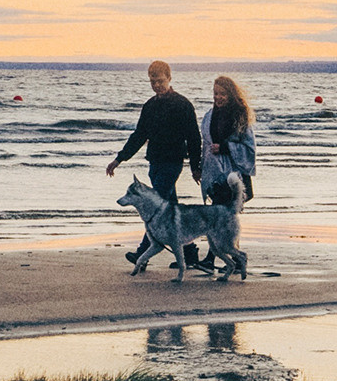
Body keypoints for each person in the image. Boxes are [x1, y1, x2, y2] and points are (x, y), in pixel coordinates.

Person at [106, 60, 202, 265]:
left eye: (160, 81)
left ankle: (143, 253)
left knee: (156, 207)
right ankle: (190, 252)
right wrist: (119, 159)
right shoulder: (150, 106)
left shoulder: (182, 105)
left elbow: (194, 137)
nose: (157, 85)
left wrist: (196, 167)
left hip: (173, 162)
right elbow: (139, 135)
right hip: (155, 162)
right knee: (171, 205)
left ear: (169, 78)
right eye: (152, 82)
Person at [199, 75, 255, 211]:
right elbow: (206, 144)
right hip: (215, 173)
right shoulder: (209, 116)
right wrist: (199, 167)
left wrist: (225, 148)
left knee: (223, 214)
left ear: (231, 95)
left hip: (234, 175)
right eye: (215, 93)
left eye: (222, 94)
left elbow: (249, 148)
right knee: (220, 214)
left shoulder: (240, 116)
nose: (218, 97)